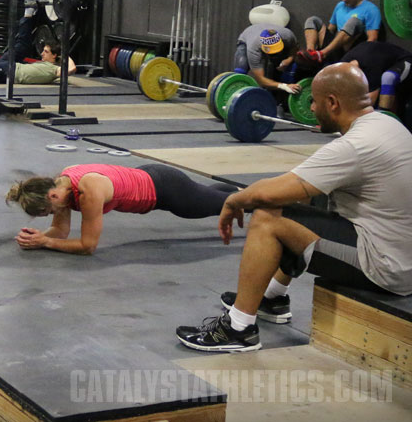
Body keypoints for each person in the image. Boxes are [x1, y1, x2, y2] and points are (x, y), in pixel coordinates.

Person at [176, 63, 412, 352]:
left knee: (267, 216)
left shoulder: (354, 147)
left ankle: (238, 329)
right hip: (401, 255)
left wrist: (232, 200)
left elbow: (266, 194)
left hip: (386, 267)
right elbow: (297, 188)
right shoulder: (389, 124)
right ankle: (273, 297)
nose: (310, 108)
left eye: (313, 101)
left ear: (333, 103)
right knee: (304, 196)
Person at [7, 163, 237, 255]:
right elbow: (60, 232)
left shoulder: (88, 192)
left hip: (167, 191)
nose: (51, 215)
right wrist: (39, 238)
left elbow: (88, 246)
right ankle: (228, 191)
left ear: (52, 195)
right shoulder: (62, 184)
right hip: (150, 176)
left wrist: (46, 243)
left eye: (48, 211)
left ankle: (268, 202)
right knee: (210, 196)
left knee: (230, 205)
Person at [299, 0, 381, 66]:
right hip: (335, 48)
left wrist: (360, 59)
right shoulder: (340, 6)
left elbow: (372, 39)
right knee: (312, 20)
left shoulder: (371, 9)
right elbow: (330, 29)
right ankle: (311, 54)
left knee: (354, 21)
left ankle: (322, 54)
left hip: (351, 50)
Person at [341, 41, 412, 115]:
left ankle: (384, 117)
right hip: (384, 62)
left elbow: (371, 100)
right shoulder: (341, 64)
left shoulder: (372, 65)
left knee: (388, 78)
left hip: (404, 60)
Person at [233, 24, 300, 94]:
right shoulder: (254, 49)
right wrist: (284, 86)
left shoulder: (287, 36)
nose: (275, 52)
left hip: (264, 31)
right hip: (248, 36)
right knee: (240, 70)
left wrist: (289, 59)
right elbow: (260, 80)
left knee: (286, 67)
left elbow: (294, 48)